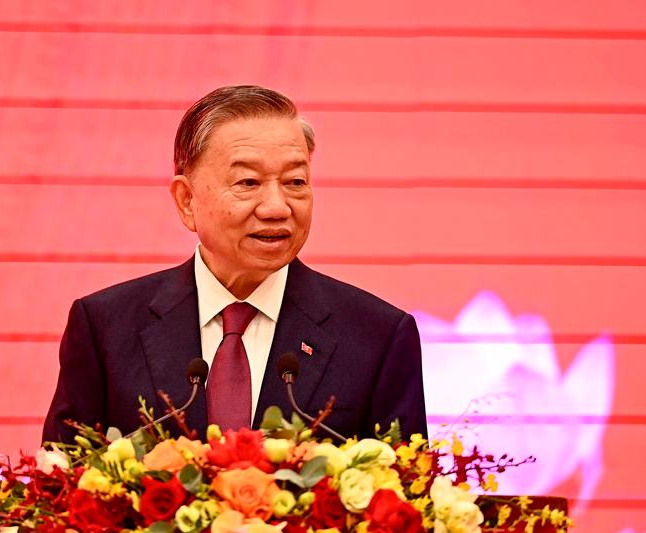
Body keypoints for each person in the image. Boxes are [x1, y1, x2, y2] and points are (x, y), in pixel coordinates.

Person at [43, 85, 427, 443]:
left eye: (295, 181)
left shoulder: (378, 338)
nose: (277, 207)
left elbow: (403, 498)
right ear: (187, 200)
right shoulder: (105, 328)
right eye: (247, 182)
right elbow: (59, 491)